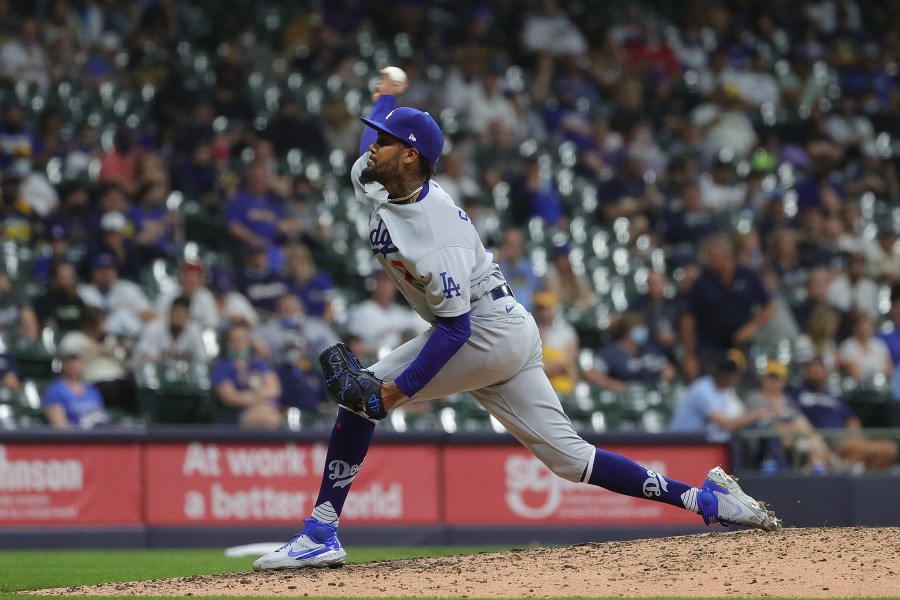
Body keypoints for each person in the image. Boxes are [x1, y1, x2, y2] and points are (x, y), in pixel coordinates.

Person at [252, 68, 781, 572]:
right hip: (503, 326)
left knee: (363, 397)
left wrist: (392, 394)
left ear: (410, 157)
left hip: (484, 331)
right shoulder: (376, 174)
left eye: (384, 140)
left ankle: (320, 534)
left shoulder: (437, 238)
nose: (372, 147)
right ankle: (710, 502)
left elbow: (456, 330)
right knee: (572, 460)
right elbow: (377, 143)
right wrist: (386, 96)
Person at [680, 232, 774, 379]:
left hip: (741, 345)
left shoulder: (748, 276)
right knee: (712, 384)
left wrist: (751, 327)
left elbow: (768, 307)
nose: (709, 261)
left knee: (747, 382)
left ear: (727, 256)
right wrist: (690, 356)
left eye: (713, 257)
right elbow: (688, 318)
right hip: (711, 347)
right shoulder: (702, 282)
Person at [788, 355, 898, 470]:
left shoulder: (834, 396)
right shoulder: (797, 392)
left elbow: (851, 419)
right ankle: (844, 468)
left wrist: (855, 434)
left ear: (825, 373)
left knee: (890, 448)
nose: (815, 373)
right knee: (857, 449)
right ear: (806, 372)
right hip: (817, 437)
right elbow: (793, 417)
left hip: (841, 437)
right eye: (812, 370)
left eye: (818, 370)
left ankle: (854, 473)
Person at [669, 350, 774, 441]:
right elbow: (726, 424)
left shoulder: (723, 391)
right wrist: (756, 415)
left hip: (700, 445)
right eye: (735, 375)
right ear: (727, 375)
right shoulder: (703, 389)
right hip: (682, 445)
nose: (737, 379)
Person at [584, 311, 674, 393]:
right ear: (628, 330)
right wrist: (613, 385)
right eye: (639, 327)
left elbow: (666, 366)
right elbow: (590, 374)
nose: (644, 330)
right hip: (626, 401)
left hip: (653, 396)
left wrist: (667, 372)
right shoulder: (613, 352)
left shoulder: (649, 348)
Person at [212, 323, 282, 429]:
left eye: (244, 340)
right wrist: (254, 400)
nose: (240, 344)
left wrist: (253, 397)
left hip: (266, 407)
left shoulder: (258, 364)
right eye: (235, 340)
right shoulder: (222, 366)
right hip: (238, 413)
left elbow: (274, 389)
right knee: (267, 418)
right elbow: (228, 396)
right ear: (227, 343)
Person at [78, 254, 155, 339]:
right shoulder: (84, 292)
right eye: (101, 270)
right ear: (93, 273)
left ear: (116, 271)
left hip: (133, 336)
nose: (105, 274)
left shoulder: (129, 288)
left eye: (109, 270)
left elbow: (148, 313)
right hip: (99, 338)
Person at [42, 347, 109, 429]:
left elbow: (101, 416)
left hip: (98, 437)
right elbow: (60, 426)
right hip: (74, 439)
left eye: (77, 361)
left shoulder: (92, 390)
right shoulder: (55, 391)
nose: (74, 365)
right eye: (70, 362)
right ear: (63, 364)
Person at [133, 296, 208, 365]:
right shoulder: (154, 327)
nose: (179, 316)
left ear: (188, 316)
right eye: (176, 312)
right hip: (155, 373)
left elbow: (202, 358)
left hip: (183, 376)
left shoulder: (194, 331)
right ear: (170, 313)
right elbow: (143, 355)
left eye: (183, 313)